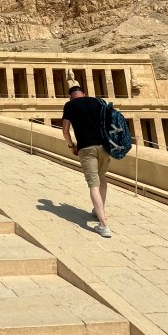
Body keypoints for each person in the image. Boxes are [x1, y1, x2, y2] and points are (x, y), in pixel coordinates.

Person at [62, 84, 113, 238]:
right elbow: (108, 123)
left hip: (86, 148)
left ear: (71, 96)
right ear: (84, 93)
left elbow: (65, 130)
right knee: (102, 178)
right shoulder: (97, 101)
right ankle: (99, 211)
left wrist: (71, 146)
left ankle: (103, 225)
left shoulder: (70, 105)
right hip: (104, 146)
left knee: (93, 185)